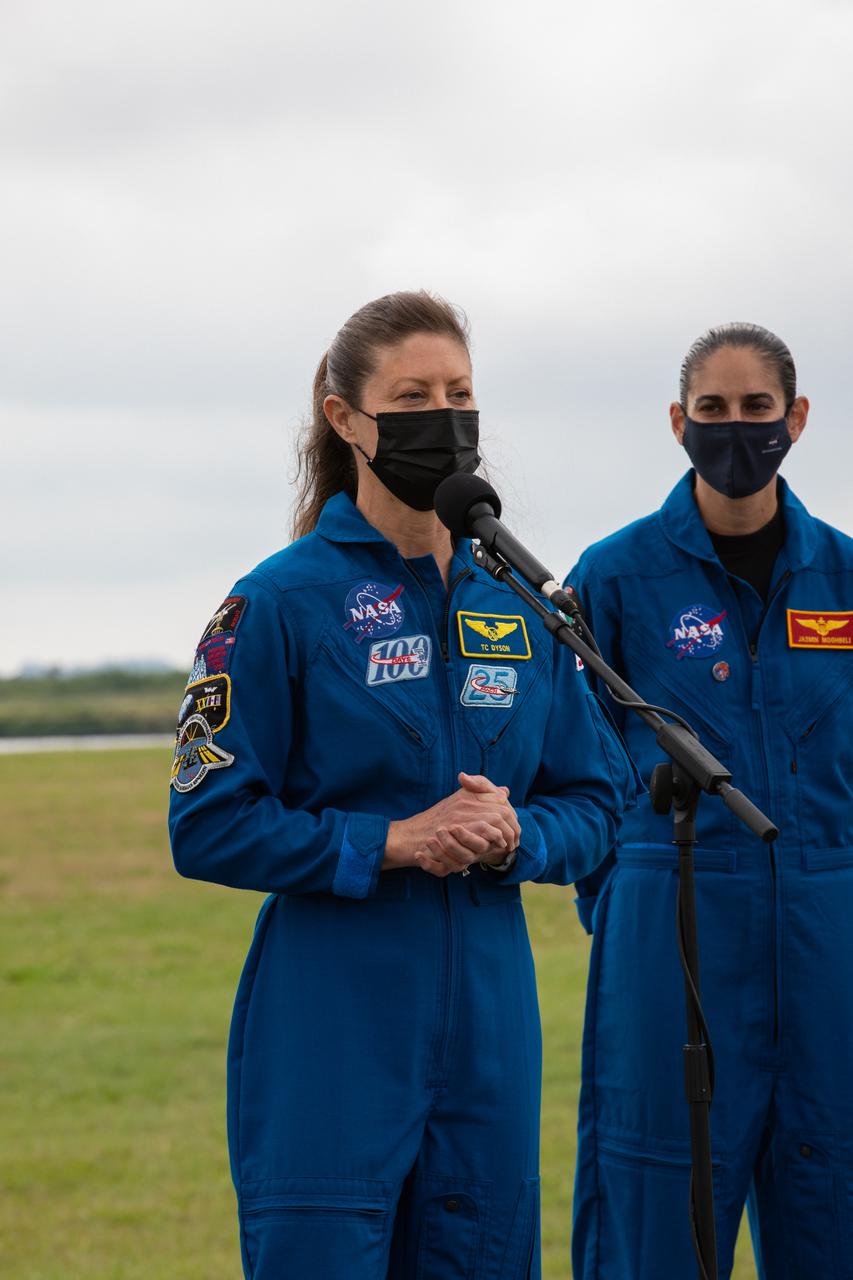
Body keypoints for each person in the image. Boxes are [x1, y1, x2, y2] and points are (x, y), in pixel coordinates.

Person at [168, 290, 637, 1280]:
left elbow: (600, 801)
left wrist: (517, 834)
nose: (445, 417)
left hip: (489, 1022)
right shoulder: (275, 602)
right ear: (346, 419)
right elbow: (206, 822)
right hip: (333, 1016)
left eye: (460, 394)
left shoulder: (520, 603)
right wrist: (389, 840)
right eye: (413, 394)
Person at [568, 322, 853, 1279]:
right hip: (674, 936)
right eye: (713, 410)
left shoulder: (847, 580)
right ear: (677, 422)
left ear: (797, 418)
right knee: (656, 1215)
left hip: (830, 946)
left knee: (834, 1203)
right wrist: (628, 899)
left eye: (756, 409)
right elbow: (574, 767)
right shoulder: (612, 578)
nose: (735, 428)